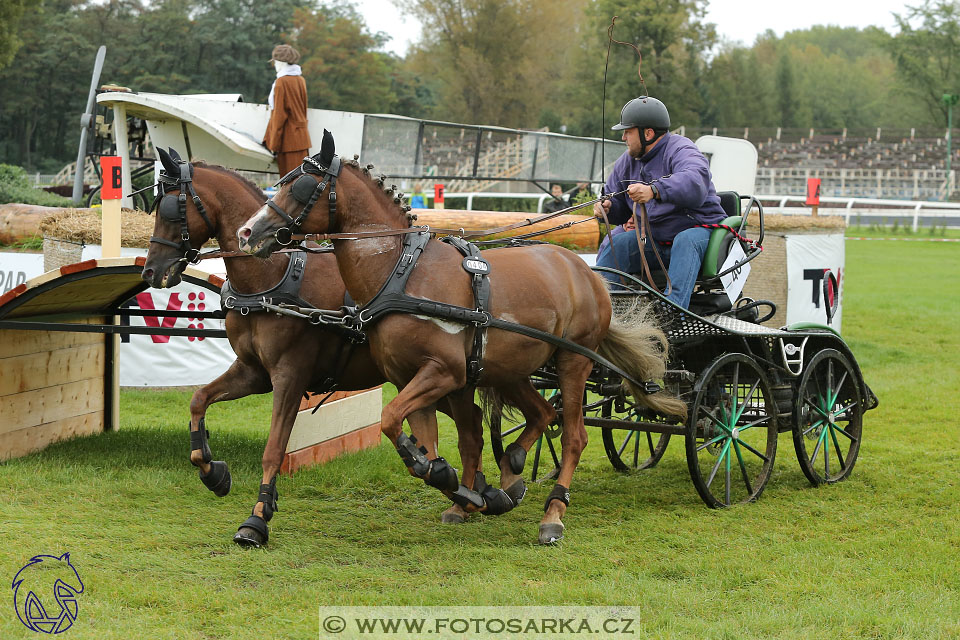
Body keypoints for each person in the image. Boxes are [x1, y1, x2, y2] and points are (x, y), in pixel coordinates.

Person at [594, 96, 726, 309]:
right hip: (655, 240)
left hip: (699, 234)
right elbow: (617, 203)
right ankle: (604, 311)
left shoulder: (681, 148)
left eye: (628, 131)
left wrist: (654, 191)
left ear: (648, 133)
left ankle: (672, 312)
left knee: (685, 240)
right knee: (616, 244)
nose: (623, 137)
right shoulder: (627, 161)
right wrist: (607, 208)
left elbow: (696, 179)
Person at [263, 44, 311, 176]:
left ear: (281, 62)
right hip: (302, 139)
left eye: (275, 62)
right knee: (302, 182)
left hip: (288, 142)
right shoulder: (300, 79)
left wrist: (273, 144)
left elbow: (279, 116)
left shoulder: (281, 82)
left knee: (290, 187)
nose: (275, 66)